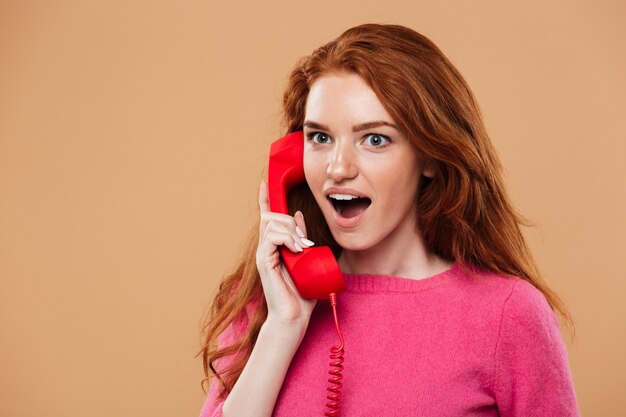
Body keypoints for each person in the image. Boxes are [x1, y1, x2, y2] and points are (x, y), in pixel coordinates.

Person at [197, 23, 581, 417]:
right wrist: (283, 326)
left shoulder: (508, 315)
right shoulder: (265, 301)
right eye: (320, 138)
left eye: (374, 139)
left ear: (430, 156)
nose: (338, 168)